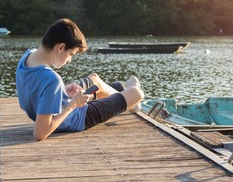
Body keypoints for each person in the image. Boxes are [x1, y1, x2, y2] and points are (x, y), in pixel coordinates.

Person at [15, 18, 144, 141]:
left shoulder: (27, 56)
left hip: (60, 104)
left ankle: (125, 99)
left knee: (94, 79)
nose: (69, 60)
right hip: (78, 117)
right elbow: (39, 133)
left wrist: (63, 90)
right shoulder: (52, 79)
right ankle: (130, 100)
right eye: (71, 54)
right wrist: (74, 104)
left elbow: (34, 90)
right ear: (60, 47)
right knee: (137, 93)